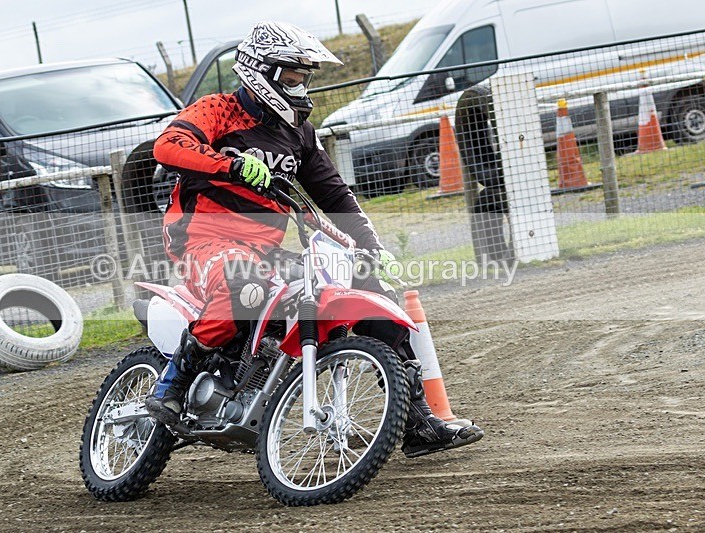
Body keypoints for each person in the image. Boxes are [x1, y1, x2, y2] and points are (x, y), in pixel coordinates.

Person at [145, 21, 483, 457]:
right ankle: (171, 384)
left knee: (370, 288)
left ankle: (417, 422)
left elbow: (334, 193)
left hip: (265, 247)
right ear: (260, 71)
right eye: (291, 76)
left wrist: (373, 249)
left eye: (304, 77)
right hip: (203, 238)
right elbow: (168, 145)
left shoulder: (299, 133)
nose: (300, 86)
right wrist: (229, 166)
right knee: (239, 283)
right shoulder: (219, 109)